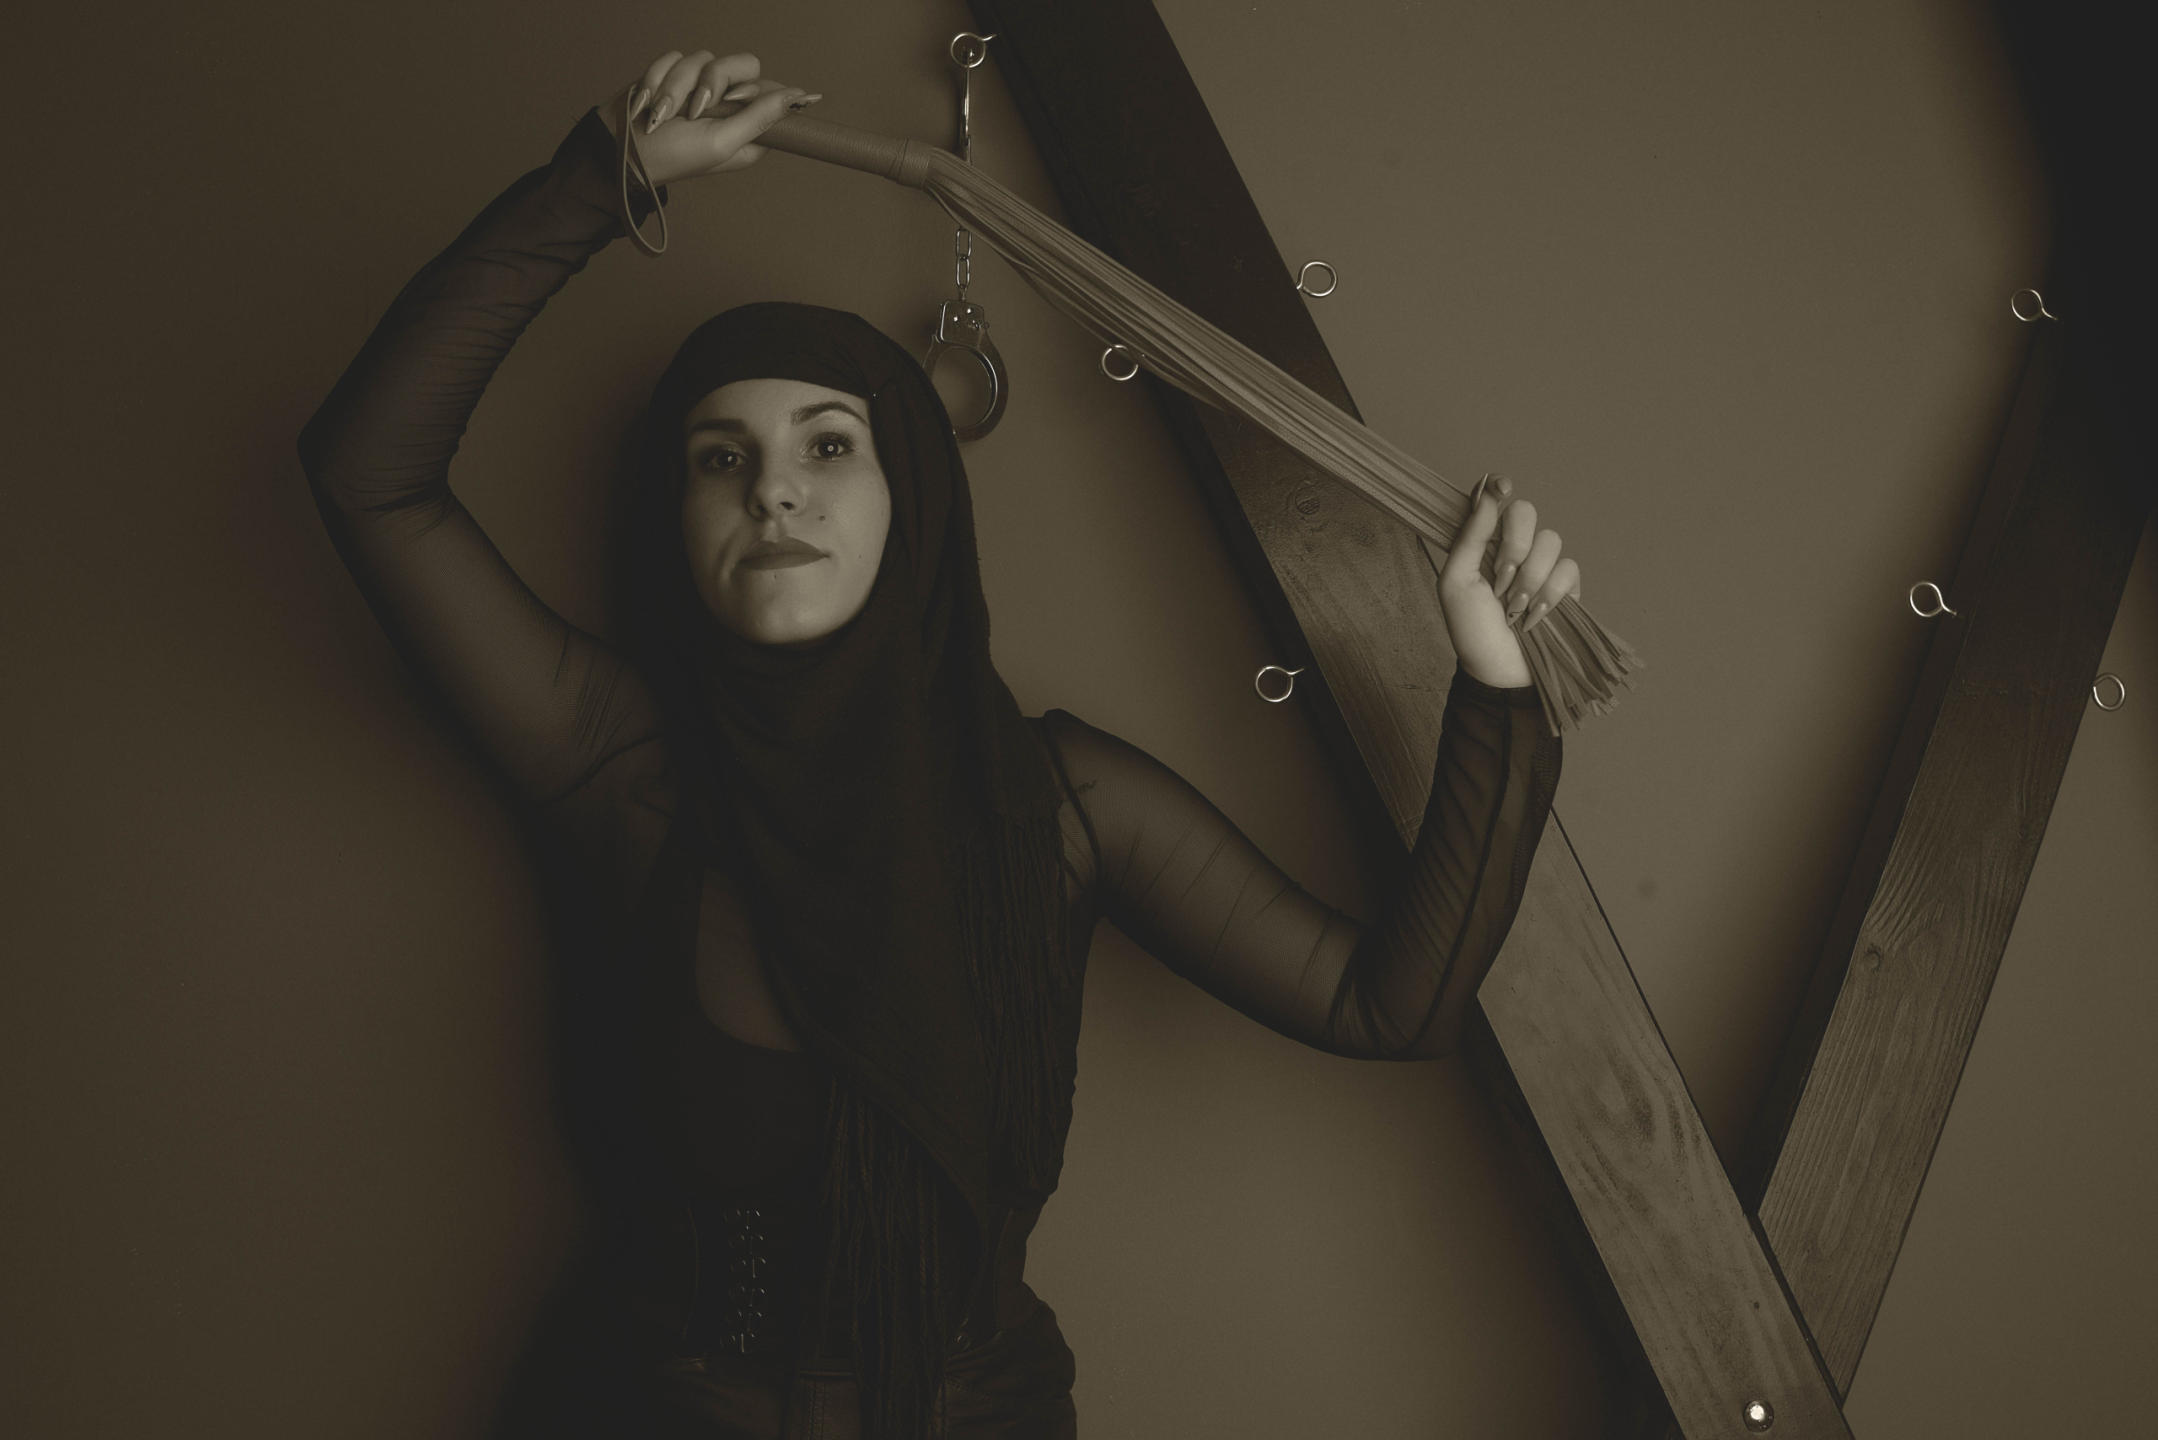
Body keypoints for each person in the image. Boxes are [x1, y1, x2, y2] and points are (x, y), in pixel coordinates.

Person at [297, 45, 1580, 1440]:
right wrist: (594, 184)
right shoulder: (619, 762)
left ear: (910, 494)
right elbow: (370, 477)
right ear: (677, 521)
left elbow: (1389, 1005)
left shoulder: (1062, 802)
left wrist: (1492, 677)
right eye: (720, 458)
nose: (773, 492)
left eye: (827, 446)